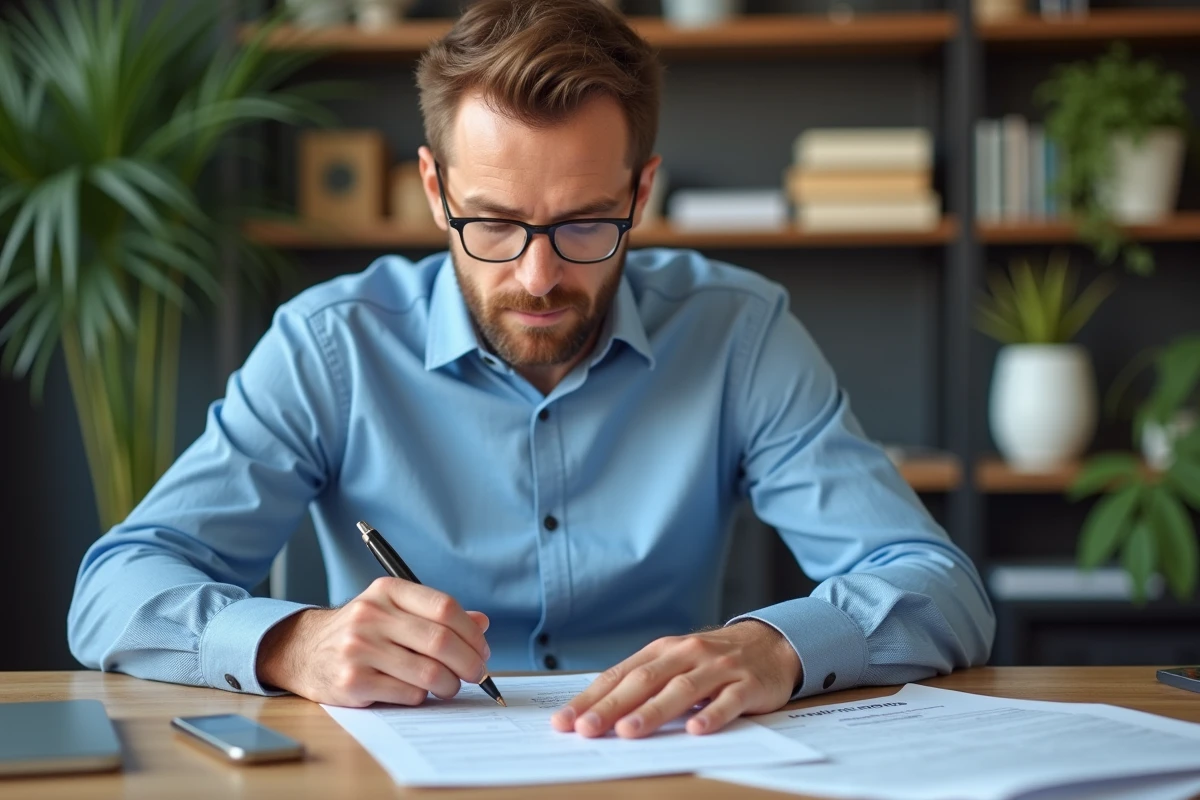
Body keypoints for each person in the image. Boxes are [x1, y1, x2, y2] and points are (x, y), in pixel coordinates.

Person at [68, 0, 994, 740]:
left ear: (642, 190)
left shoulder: (737, 331)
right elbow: (118, 588)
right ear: (434, 191)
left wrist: (776, 646)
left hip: (661, 762)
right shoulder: (331, 345)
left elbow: (937, 585)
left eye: (586, 222)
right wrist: (289, 642)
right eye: (494, 223)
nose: (538, 274)